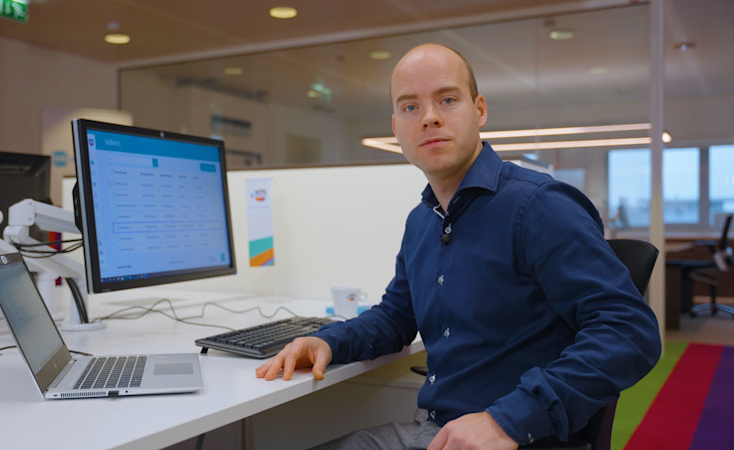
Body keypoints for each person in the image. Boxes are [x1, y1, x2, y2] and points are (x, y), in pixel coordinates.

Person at [256, 43, 661, 449]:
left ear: (479, 110)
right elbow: (397, 317)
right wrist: (328, 341)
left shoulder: (538, 206)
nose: (429, 117)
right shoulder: (422, 220)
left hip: (518, 437)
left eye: (447, 100)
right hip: (438, 431)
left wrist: (506, 422)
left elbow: (630, 331)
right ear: (396, 128)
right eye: (410, 107)